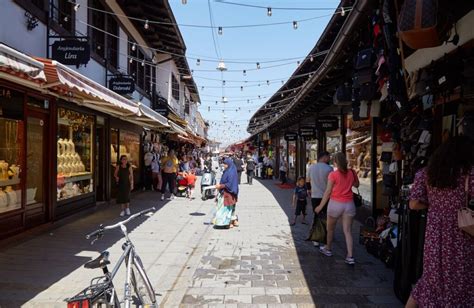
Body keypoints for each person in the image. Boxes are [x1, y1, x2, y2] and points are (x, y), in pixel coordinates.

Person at [405, 137, 474, 308]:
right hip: (461, 233)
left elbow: (413, 204)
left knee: (431, 279)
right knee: (460, 281)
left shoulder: (426, 173)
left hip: (434, 233)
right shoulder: (469, 175)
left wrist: (435, 206)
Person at [315, 152, 359, 265]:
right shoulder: (352, 172)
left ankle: (328, 249)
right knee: (348, 231)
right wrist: (352, 176)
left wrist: (320, 206)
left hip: (335, 204)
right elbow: (357, 185)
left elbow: (328, 192)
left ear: (335, 162)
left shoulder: (333, 175)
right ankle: (350, 256)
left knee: (331, 229)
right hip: (349, 204)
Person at [308, 151, 333, 246]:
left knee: (316, 215)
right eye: (329, 156)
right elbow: (332, 184)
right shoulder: (329, 169)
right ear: (324, 157)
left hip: (315, 195)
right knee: (326, 215)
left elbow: (307, 181)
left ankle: (316, 238)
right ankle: (325, 234)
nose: (329, 158)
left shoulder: (311, 167)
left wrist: (309, 190)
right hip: (326, 196)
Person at [214, 158, 239, 228]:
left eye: (225, 164)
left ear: (229, 164)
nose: (224, 165)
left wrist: (220, 186)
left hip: (228, 193)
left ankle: (226, 223)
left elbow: (230, 184)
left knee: (226, 208)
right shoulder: (229, 170)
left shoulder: (230, 172)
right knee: (230, 208)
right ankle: (232, 221)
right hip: (229, 193)